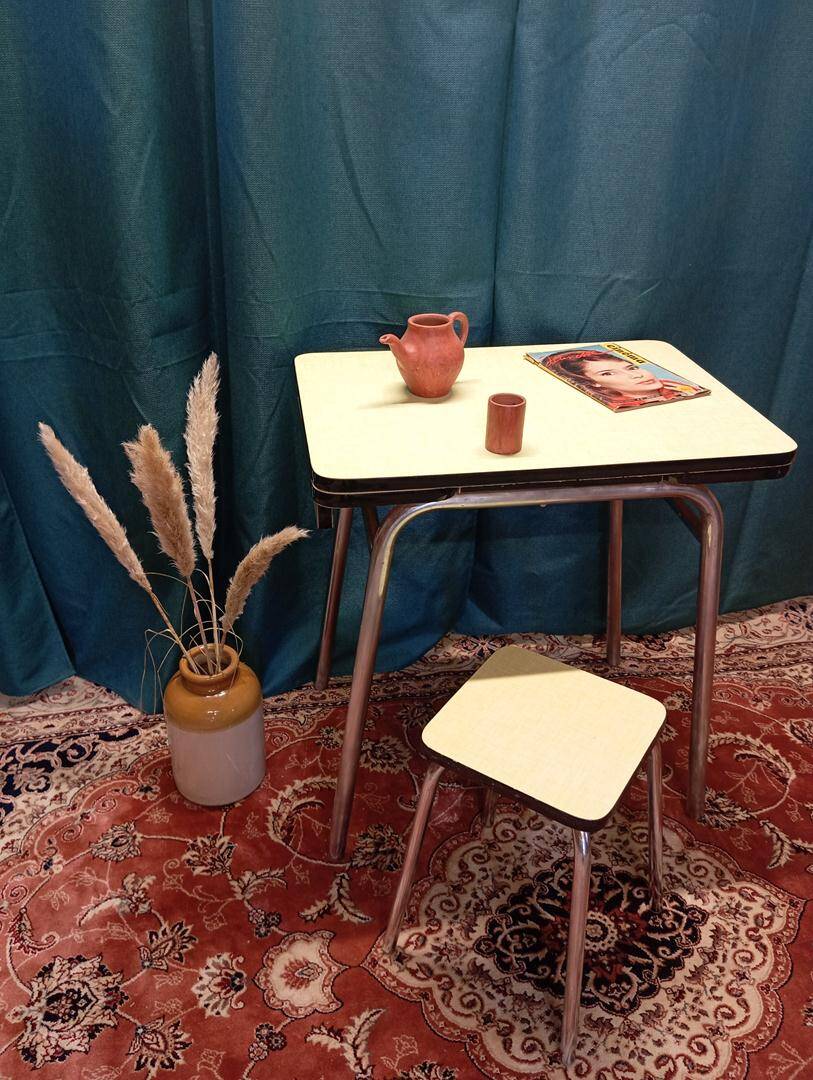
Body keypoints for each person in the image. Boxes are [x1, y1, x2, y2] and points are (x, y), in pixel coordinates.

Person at [543, 349, 701, 409]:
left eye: (631, 367)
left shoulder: (681, 389)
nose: (637, 374)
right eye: (608, 373)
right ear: (592, 383)